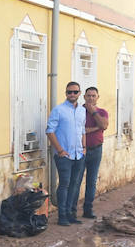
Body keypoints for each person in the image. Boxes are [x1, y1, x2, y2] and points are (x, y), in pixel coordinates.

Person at [46, 81, 87, 226]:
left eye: (75, 92)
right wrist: (60, 150)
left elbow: (82, 130)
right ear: (66, 93)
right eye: (69, 92)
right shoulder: (58, 110)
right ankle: (62, 215)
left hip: (79, 154)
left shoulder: (82, 111)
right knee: (64, 184)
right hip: (64, 155)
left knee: (75, 184)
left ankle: (71, 214)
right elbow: (49, 131)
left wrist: (84, 147)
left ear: (79, 93)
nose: (72, 94)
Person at [79, 86, 109, 219]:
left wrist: (93, 112)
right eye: (88, 96)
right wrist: (95, 128)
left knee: (92, 181)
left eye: (93, 96)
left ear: (98, 97)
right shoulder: (78, 111)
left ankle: (88, 209)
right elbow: (80, 130)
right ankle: (71, 210)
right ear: (84, 97)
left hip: (96, 149)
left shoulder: (102, 112)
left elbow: (104, 125)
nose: (91, 98)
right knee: (76, 180)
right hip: (80, 150)